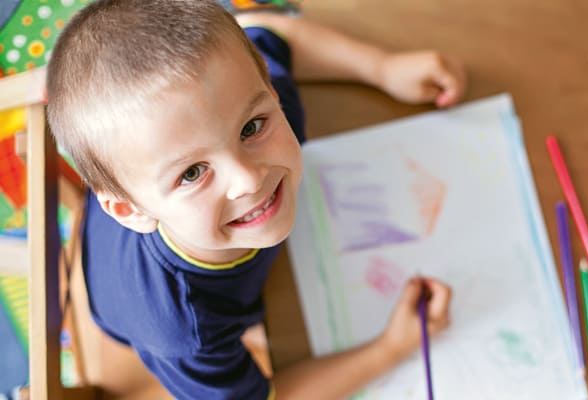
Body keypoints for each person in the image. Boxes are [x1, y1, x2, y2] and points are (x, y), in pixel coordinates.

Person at [46, 0, 466, 399]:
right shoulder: (182, 332)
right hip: (131, 298)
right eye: (192, 173)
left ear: (266, 85)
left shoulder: (240, 98)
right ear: (130, 210)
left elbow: (270, 31)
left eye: (251, 128)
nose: (248, 179)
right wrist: (390, 349)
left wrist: (382, 68)